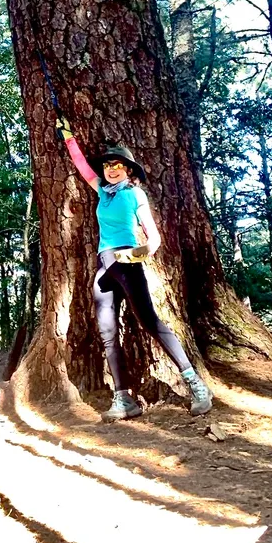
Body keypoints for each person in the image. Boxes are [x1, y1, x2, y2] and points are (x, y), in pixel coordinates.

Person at [55, 115, 213, 422]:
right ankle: (124, 398)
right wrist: (68, 137)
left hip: (126, 263)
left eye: (117, 164)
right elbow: (82, 166)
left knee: (150, 322)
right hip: (104, 268)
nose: (111, 169)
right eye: (107, 165)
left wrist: (139, 252)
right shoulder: (103, 191)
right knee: (107, 332)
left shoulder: (135, 194)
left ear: (128, 169)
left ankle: (196, 385)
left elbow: (154, 238)